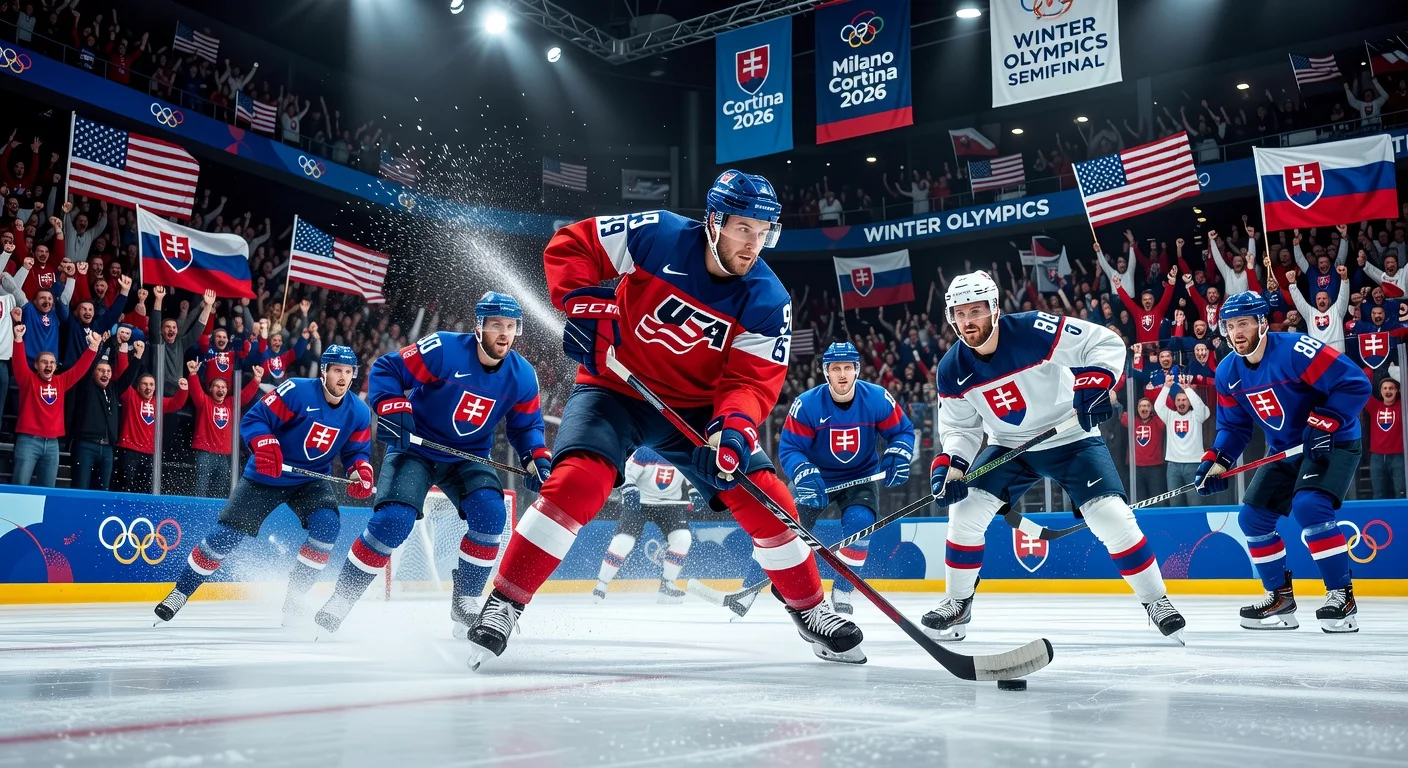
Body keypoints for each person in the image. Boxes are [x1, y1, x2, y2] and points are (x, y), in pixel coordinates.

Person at [464, 169, 865, 668]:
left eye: (763, 233)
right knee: (574, 485)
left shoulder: (768, 299)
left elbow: (750, 381)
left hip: (695, 411)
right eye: (744, 229)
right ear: (714, 222)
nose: (753, 245)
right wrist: (585, 309)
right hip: (616, 388)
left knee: (769, 500)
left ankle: (811, 608)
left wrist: (733, 431)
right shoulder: (658, 234)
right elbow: (571, 246)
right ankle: (503, 603)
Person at [922, 271, 1186, 644]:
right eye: (960, 313)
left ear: (994, 309)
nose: (968, 321)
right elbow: (962, 430)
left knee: (1112, 517)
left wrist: (1096, 380)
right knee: (963, 511)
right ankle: (958, 600)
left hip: (1071, 435)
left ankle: (1156, 601)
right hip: (1010, 445)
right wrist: (952, 465)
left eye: (976, 310)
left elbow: (1105, 343)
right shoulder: (951, 369)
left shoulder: (1033, 330)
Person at [313, 292, 552, 635]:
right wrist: (394, 407)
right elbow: (387, 369)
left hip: (468, 456)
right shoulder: (444, 348)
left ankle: (466, 601)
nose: (504, 333)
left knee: (491, 514)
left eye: (511, 326)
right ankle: (342, 597)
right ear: (479, 325)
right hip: (416, 448)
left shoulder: (523, 376)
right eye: (496, 324)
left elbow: (526, 427)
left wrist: (535, 460)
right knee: (394, 521)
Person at [153, 346, 374, 624]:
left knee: (327, 526)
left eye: (348, 372)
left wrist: (360, 471)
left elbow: (356, 452)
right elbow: (255, 419)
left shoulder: (359, 412)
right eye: (337, 370)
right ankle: (180, 593)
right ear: (324, 372)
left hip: (311, 479)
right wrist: (265, 444)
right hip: (267, 475)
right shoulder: (296, 390)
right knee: (226, 535)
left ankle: (294, 600)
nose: (343, 377)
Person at [1195, 292, 1371, 633]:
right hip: (1284, 450)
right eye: (1230, 326)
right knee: (1252, 519)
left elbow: (1354, 384)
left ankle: (1342, 597)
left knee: (1310, 507)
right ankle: (1280, 600)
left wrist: (1326, 420)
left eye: (1243, 323)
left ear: (1262, 323)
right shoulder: (1228, 372)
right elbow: (1233, 427)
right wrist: (1218, 461)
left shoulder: (1296, 350)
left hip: (1332, 442)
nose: (1236, 332)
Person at [753, 341, 915, 615]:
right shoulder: (807, 404)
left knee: (861, 523)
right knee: (788, 528)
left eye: (848, 368)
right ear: (826, 372)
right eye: (836, 368)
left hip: (860, 477)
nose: (842, 374)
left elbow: (902, 432)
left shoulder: (877, 398)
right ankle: (764, 583)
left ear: (857, 370)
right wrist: (803, 471)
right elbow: (791, 448)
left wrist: (899, 453)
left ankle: (843, 587)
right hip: (816, 478)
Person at [591, 447, 702, 603]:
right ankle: (601, 585)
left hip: (671, 504)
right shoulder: (645, 451)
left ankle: (667, 585)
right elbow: (627, 474)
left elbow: (692, 475)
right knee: (624, 541)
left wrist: (695, 491)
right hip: (640, 502)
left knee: (683, 538)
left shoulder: (685, 449)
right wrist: (629, 489)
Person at [10, 314, 101, 486]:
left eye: (52, 362)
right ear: (36, 365)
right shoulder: (27, 379)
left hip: (52, 444)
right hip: (29, 441)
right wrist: (19, 339)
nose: (49, 365)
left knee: (48, 492)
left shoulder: (61, 381)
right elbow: (19, 362)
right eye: (44, 362)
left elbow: (79, 370)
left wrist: (93, 348)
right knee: (20, 489)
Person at [69, 333, 141, 490]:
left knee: (103, 490)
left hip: (108, 448)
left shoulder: (113, 389)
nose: (105, 374)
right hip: (86, 445)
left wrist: (138, 356)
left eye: (108, 371)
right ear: (94, 373)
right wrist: (97, 346)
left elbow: (128, 378)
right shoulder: (86, 387)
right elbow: (86, 369)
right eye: (101, 370)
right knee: (81, 487)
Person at [185, 359, 265, 498]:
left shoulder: (230, 403)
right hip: (205, 454)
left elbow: (245, 396)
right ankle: (198, 514)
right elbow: (196, 391)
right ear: (210, 389)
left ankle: (215, 517)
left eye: (223, 387)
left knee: (220, 491)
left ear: (227, 390)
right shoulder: (204, 401)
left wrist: (256, 379)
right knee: (200, 490)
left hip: (223, 455)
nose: (220, 389)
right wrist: (192, 374)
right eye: (217, 386)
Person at [115, 366, 190, 494]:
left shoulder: (158, 402)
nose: (148, 387)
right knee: (126, 486)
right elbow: (124, 376)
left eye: (151, 384)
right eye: (144, 384)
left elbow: (176, 403)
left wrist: (183, 389)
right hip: (129, 450)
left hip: (150, 452)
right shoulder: (130, 396)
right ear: (137, 387)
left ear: (155, 387)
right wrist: (123, 352)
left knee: (145, 488)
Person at [1153, 374, 1210, 505]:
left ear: (1189, 402)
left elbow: (1202, 408)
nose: (1181, 403)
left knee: (1195, 503)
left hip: (1194, 464)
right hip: (1173, 465)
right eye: (1178, 400)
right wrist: (1166, 386)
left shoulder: (1197, 416)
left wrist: (1187, 389)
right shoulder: (1169, 415)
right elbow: (1158, 406)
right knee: (1175, 504)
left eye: (1184, 400)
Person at [1365, 378, 1405, 499]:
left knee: (1401, 493)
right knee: (1378, 494)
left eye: (1391, 388)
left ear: (1397, 390)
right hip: (1377, 458)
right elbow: (1362, 389)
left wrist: (1399, 376)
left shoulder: (1402, 406)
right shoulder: (1374, 406)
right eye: (1385, 388)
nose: (1388, 391)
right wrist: (1369, 374)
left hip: (1398, 457)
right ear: (1381, 391)